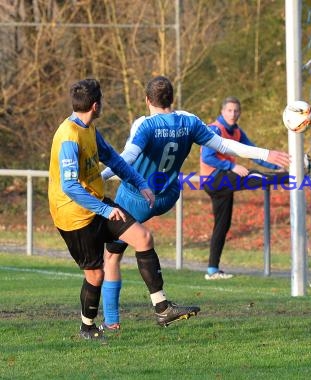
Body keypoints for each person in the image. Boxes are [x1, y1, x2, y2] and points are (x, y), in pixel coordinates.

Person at [99, 77, 291, 330]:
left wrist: (97, 178)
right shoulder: (189, 121)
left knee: (111, 258)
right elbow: (225, 145)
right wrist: (266, 153)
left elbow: (127, 160)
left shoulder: (143, 125)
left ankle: (112, 322)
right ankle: (160, 305)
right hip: (167, 196)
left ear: (147, 100)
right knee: (140, 242)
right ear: (173, 98)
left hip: (137, 198)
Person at [48, 78, 200, 340]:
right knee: (95, 274)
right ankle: (87, 327)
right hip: (74, 215)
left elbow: (115, 160)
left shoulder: (89, 129)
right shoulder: (68, 137)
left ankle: (163, 309)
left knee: (143, 238)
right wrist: (106, 211)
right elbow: (70, 187)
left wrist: (140, 183)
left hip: (95, 203)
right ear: (96, 105)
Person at [200, 96, 290, 280]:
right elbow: (206, 157)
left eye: (236, 111)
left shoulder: (238, 132)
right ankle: (291, 176)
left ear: (239, 112)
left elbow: (255, 154)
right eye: (229, 110)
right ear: (222, 111)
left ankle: (212, 270)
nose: (233, 114)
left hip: (223, 184)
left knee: (222, 226)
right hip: (214, 179)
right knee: (251, 175)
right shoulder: (215, 129)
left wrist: (276, 167)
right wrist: (231, 166)